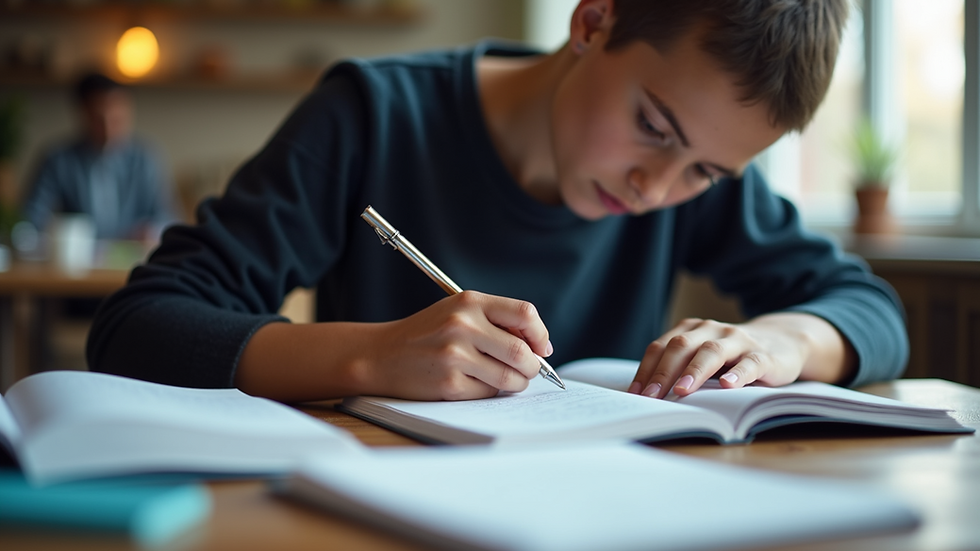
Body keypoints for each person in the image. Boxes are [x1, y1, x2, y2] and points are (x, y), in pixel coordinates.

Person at [88, 0, 908, 404]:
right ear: (593, 23)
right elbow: (137, 326)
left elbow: (867, 307)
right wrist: (369, 357)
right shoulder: (374, 116)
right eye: (652, 127)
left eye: (706, 174)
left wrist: (779, 344)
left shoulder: (687, 170)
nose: (655, 190)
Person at [21, 72, 178, 244]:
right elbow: (30, 218)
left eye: (117, 120)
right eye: (99, 120)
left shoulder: (145, 159)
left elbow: (169, 219)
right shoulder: (58, 159)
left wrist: (152, 230)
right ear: (82, 113)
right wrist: (52, 232)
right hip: (77, 265)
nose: (108, 131)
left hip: (133, 260)